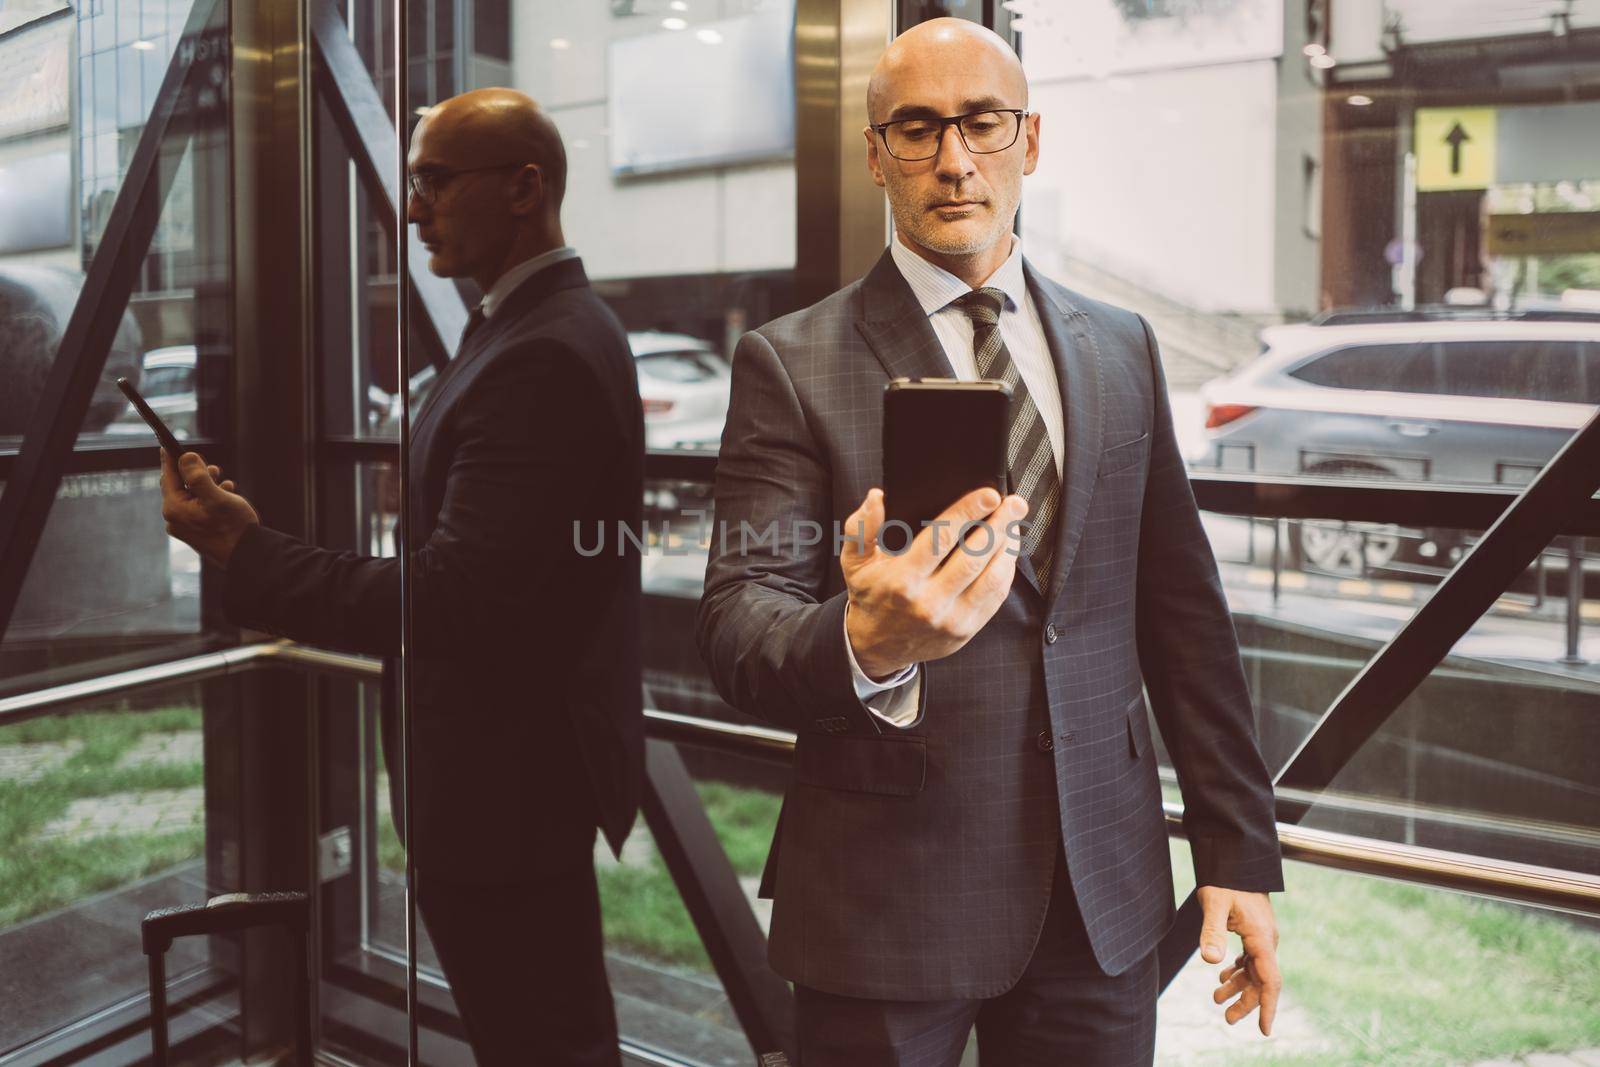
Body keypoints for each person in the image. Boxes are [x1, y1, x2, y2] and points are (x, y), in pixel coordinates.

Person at [695, 20, 1282, 1066]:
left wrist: (1237, 851)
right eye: (916, 129)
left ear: (1030, 140)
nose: (953, 159)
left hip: (1100, 893)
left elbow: (1183, 617)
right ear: (876, 154)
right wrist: (866, 641)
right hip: (885, 899)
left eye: (982, 123)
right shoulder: (787, 362)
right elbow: (737, 621)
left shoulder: (1120, 348)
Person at [160, 88, 643, 1066]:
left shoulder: (538, 350)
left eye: (432, 181)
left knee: (538, 1042)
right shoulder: (542, 325)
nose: (413, 209)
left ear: (523, 187)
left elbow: (452, 599)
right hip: (519, 788)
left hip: (500, 801)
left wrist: (246, 548)